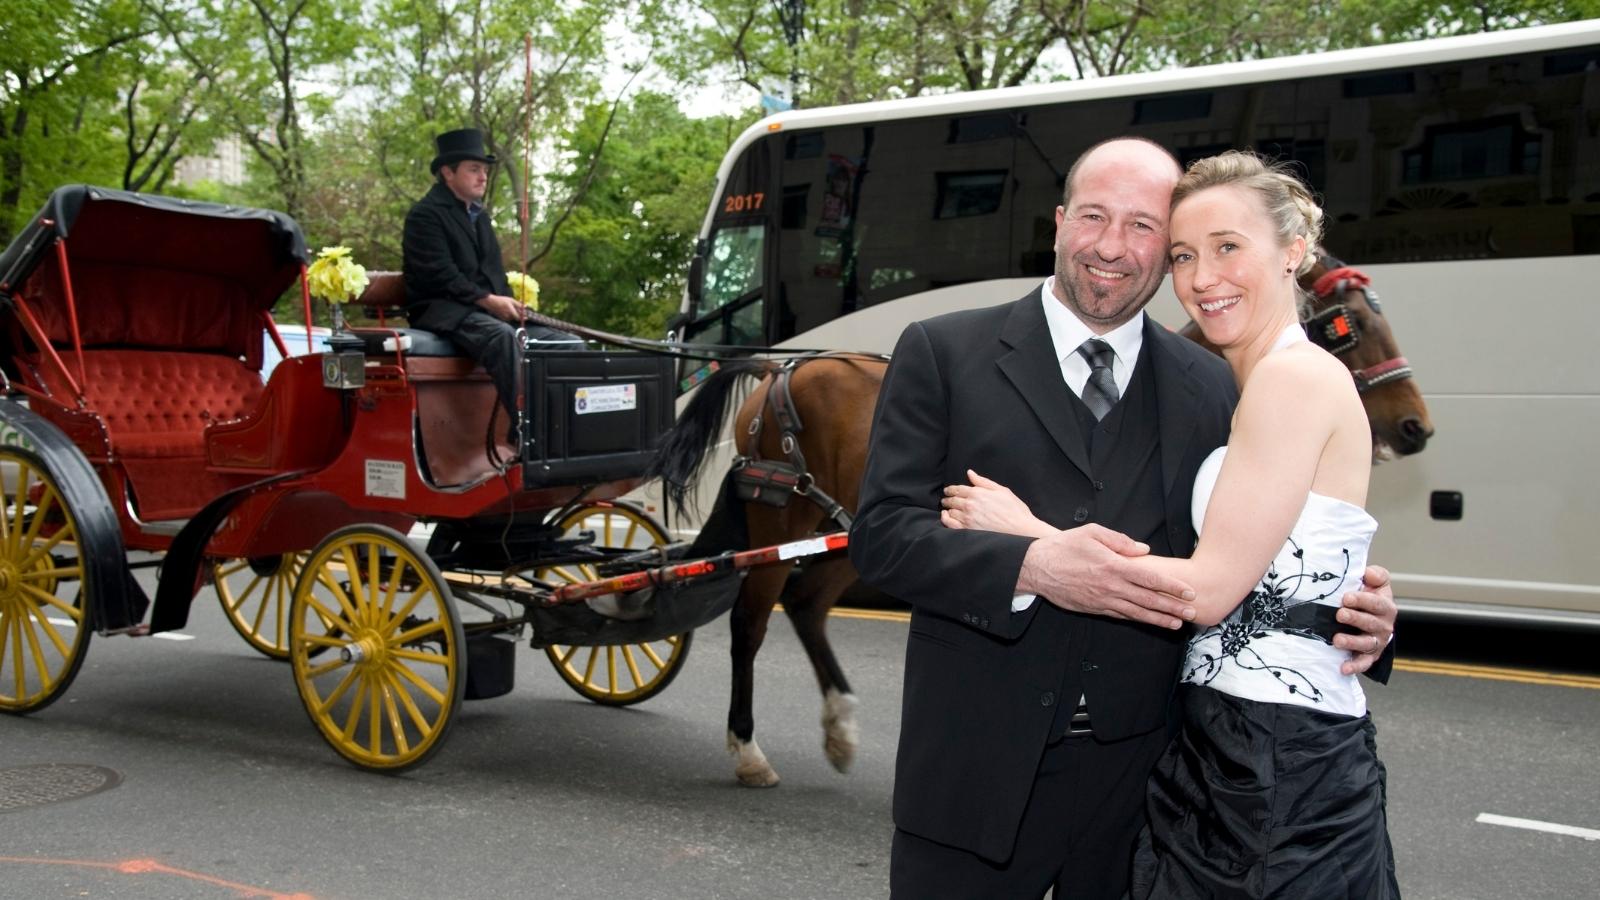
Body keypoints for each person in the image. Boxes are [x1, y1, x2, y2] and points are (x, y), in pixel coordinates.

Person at [847, 137, 1397, 899]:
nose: (1113, 247)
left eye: (1144, 228)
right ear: (1059, 221)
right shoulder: (943, 351)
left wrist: (1361, 612)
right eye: (1096, 217)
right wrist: (1032, 566)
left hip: (1147, 789)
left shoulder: (1216, 383)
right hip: (973, 775)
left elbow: (1265, 545)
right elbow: (880, 539)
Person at [402, 128, 573, 443]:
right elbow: (440, 275)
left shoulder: (480, 217)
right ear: (447, 172)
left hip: (484, 310)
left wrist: (511, 306)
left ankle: (566, 428)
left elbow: (494, 274)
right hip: (443, 310)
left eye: (484, 170)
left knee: (567, 344)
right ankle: (527, 431)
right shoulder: (425, 215)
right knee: (502, 337)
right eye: (474, 169)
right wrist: (488, 301)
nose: (483, 177)